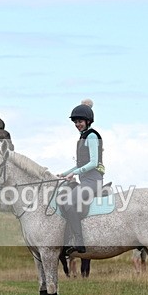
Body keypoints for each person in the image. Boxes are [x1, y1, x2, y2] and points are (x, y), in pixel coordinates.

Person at [56, 99, 105, 254]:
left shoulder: (91, 136)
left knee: (68, 202)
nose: (78, 124)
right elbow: (80, 164)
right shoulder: (83, 137)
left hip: (93, 180)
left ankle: (79, 241)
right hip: (85, 180)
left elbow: (93, 162)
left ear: (88, 121)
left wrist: (74, 173)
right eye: (76, 122)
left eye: (80, 121)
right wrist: (63, 174)